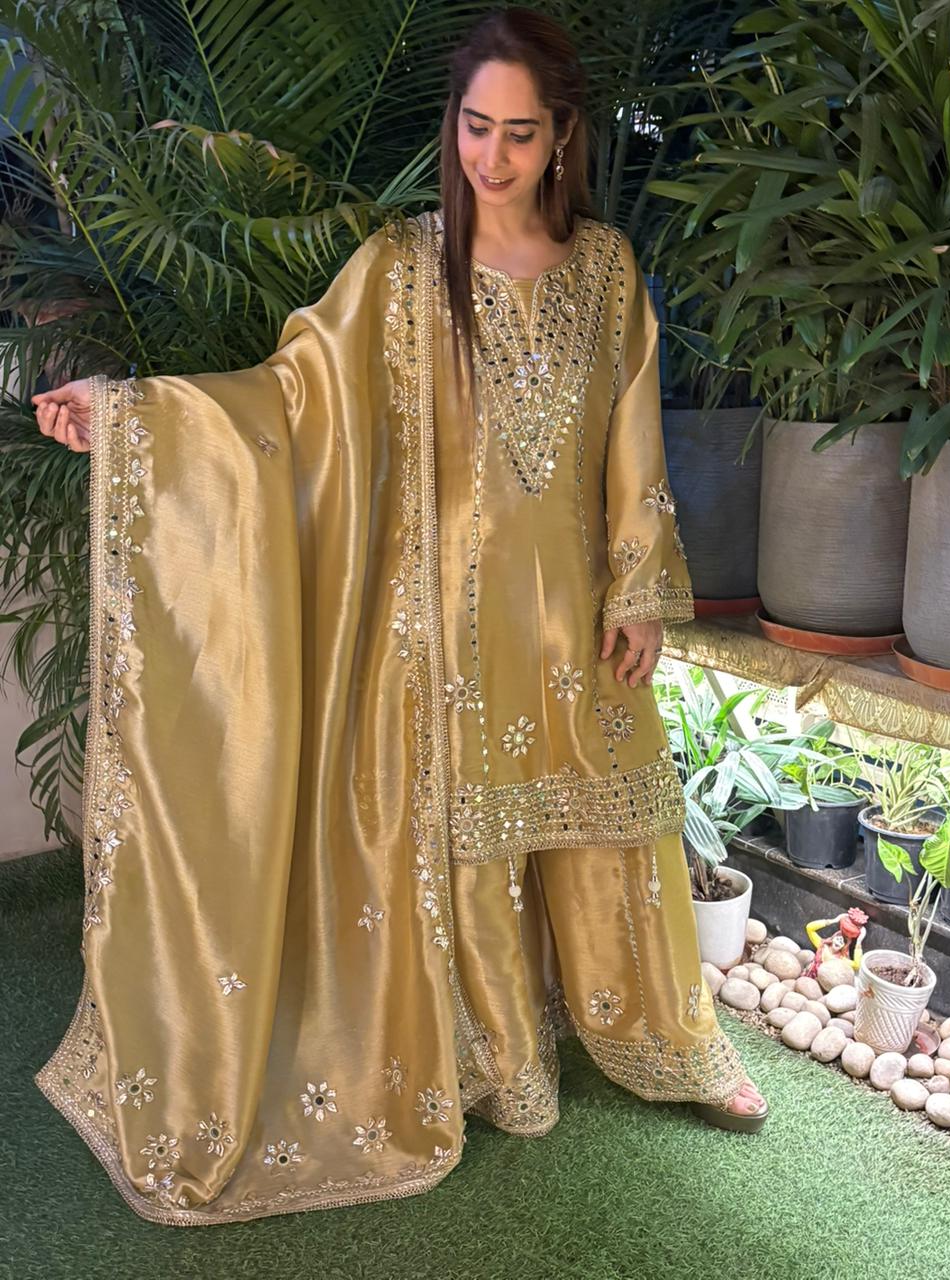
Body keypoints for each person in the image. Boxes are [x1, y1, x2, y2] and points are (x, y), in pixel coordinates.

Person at [30, 7, 767, 1229]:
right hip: (447, 627)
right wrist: (131, 413)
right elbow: (290, 404)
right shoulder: (401, 267)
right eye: (475, 126)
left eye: (519, 133)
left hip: (580, 615)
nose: (493, 156)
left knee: (619, 815)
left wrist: (640, 587)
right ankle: (508, 1062)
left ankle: (671, 1036)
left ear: (563, 137)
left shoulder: (605, 269)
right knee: (475, 839)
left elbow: (633, 441)